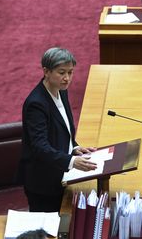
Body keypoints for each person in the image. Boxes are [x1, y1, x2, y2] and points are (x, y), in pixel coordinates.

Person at [18, 47, 97, 212]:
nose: (67, 78)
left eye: (70, 72)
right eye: (61, 73)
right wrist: (71, 161)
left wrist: (74, 148)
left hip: (59, 173)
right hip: (42, 182)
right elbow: (40, 147)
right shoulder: (36, 104)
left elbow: (63, 129)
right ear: (46, 71)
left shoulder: (62, 92)